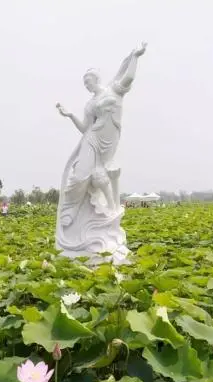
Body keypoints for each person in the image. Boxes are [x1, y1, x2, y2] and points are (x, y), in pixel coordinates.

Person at [55, 42, 147, 258]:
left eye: (88, 81)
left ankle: (109, 215)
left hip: (110, 139)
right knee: (80, 177)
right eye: (84, 82)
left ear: (96, 79)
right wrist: (70, 116)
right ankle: (70, 212)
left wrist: (135, 57)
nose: (86, 85)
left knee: (100, 176)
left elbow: (129, 78)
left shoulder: (113, 90)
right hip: (92, 139)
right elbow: (84, 128)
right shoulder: (89, 105)